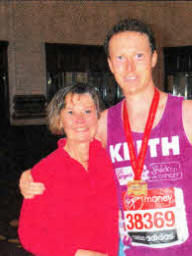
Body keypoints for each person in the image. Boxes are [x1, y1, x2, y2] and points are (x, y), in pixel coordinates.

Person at [20, 19, 192, 255]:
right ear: (111, 64)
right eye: (120, 58)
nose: (129, 67)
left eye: (139, 56)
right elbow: (69, 157)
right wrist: (32, 176)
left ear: (153, 58)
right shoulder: (103, 123)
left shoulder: (191, 114)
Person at [18, 83, 119, 256]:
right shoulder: (44, 171)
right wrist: (74, 253)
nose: (80, 120)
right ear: (59, 119)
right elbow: (29, 234)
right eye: (71, 112)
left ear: (98, 117)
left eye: (88, 111)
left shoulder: (115, 159)